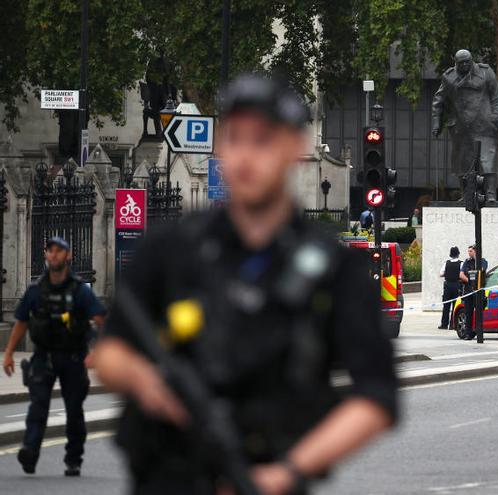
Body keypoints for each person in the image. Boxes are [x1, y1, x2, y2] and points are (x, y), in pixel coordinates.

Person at [92, 74, 398, 495]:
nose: (246, 157)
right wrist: (144, 380)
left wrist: (289, 471)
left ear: (295, 148)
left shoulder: (334, 270)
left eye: (263, 140)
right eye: (235, 139)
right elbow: (109, 352)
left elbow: (378, 398)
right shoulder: (170, 249)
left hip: (268, 475)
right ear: (220, 146)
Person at [2, 237, 107, 476]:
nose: (54, 255)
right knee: (38, 406)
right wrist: (8, 353)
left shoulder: (80, 291)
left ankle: (73, 459)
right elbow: (21, 321)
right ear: (46, 255)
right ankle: (29, 451)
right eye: (50, 250)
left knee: (73, 410)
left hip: (73, 358)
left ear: (68, 255)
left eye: (59, 251)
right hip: (43, 357)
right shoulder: (35, 291)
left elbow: (102, 321)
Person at [431, 49, 498, 201]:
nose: (464, 65)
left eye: (467, 61)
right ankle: (466, 194)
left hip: (484, 123)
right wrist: (436, 123)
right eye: (461, 62)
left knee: (487, 159)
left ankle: (490, 194)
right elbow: (438, 101)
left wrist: (496, 117)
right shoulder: (449, 77)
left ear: (472, 60)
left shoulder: (485, 72)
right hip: (461, 127)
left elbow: (497, 96)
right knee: (462, 162)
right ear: (455, 63)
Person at [458, 245, 488, 339]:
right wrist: (470, 281)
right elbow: (461, 274)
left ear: (475, 251)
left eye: (470, 251)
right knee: (468, 312)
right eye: (468, 251)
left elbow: (482, 271)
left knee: (479, 312)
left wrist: (475, 282)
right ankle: (468, 333)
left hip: (478, 291)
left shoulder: (482, 261)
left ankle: (479, 332)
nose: (469, 253)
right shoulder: (467, 262)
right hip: (468, 291)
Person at [439, 246, 462, 329]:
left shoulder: (446, 263)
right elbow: (462, 274)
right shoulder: (461, 263)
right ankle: (453, 325)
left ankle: (444, 324)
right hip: (457, 285)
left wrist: (448, 273)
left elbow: (441, 274)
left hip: (447, 285)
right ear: (458, 254)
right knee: (455, 305)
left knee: (446, 306)